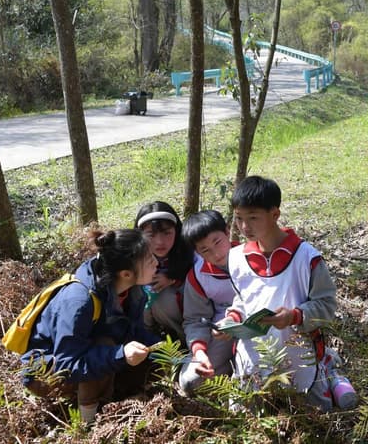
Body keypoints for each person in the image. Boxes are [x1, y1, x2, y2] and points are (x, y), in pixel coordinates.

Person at [220, 175, 356, 411]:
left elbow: (326, 306)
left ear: (275, 214)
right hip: (254, 353)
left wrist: (294, 316)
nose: (244, 227)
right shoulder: (237, 257)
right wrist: (233, 319)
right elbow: (242, 298)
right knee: (244, 415)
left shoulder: (306, 258)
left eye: (253, 218)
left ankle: (330, 371)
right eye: (239, 218)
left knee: (315, 415)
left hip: (299, 352)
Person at [20, 228, 161, 423]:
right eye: (149, 260)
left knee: (154, 361)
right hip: (46, 373)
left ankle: (117, 399)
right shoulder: (80, 301)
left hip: (88, 354)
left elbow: (135, 332)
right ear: (126, 274)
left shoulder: (133, 290)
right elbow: (68, 364)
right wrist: (120, 354)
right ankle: (89, 423)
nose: (156, 263)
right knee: (105, 344)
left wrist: (175, 355)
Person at [178, 210, 238, 395]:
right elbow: (195, 319)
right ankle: (228, 369)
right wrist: (199, 351)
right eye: (205, 250)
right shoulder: (198, 275)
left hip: (259, 331)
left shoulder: (254, 258)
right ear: (197, 252)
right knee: (190, 382)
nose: (215, 253)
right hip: (221, 334)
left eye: (217, 242)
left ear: (227, 232)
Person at [134, 201, 194, 346]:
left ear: (177, 231)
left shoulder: (190, 251)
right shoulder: (133, 255)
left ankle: (185, 343)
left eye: (167, 233)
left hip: (185, 317)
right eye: (151, 235)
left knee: (164, 298)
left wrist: (173, 279)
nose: (160, 242)